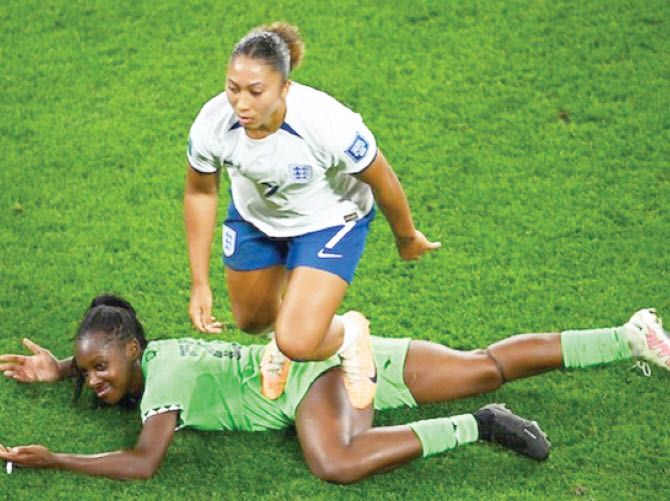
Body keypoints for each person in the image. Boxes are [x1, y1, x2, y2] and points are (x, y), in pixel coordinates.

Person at [1, 296, 669, 482]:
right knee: (482, 361)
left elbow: (143, 462)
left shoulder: (162, 388)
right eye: (86, 371)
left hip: (306, 382)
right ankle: (630, 335)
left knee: (335, 460)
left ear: (131, 350)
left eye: (97, 368)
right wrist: (60, 366)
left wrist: (52, 457)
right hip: (332, 350)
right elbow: (115, 364)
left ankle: (482, 423)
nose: (94, 380)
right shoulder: (161, 351)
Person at [184, 21, 440, 408]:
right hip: (256, 217)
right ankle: (294, 326)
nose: (241, 104)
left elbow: (381, 176)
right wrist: (199, 282)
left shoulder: (326, 123)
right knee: (252, 321)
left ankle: (350, 334)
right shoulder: (213, 122)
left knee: (297, 340)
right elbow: (201, 192)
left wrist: (406, 236)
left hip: (330, 221)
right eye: (232, 88)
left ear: (285, 88)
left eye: (256, 91)